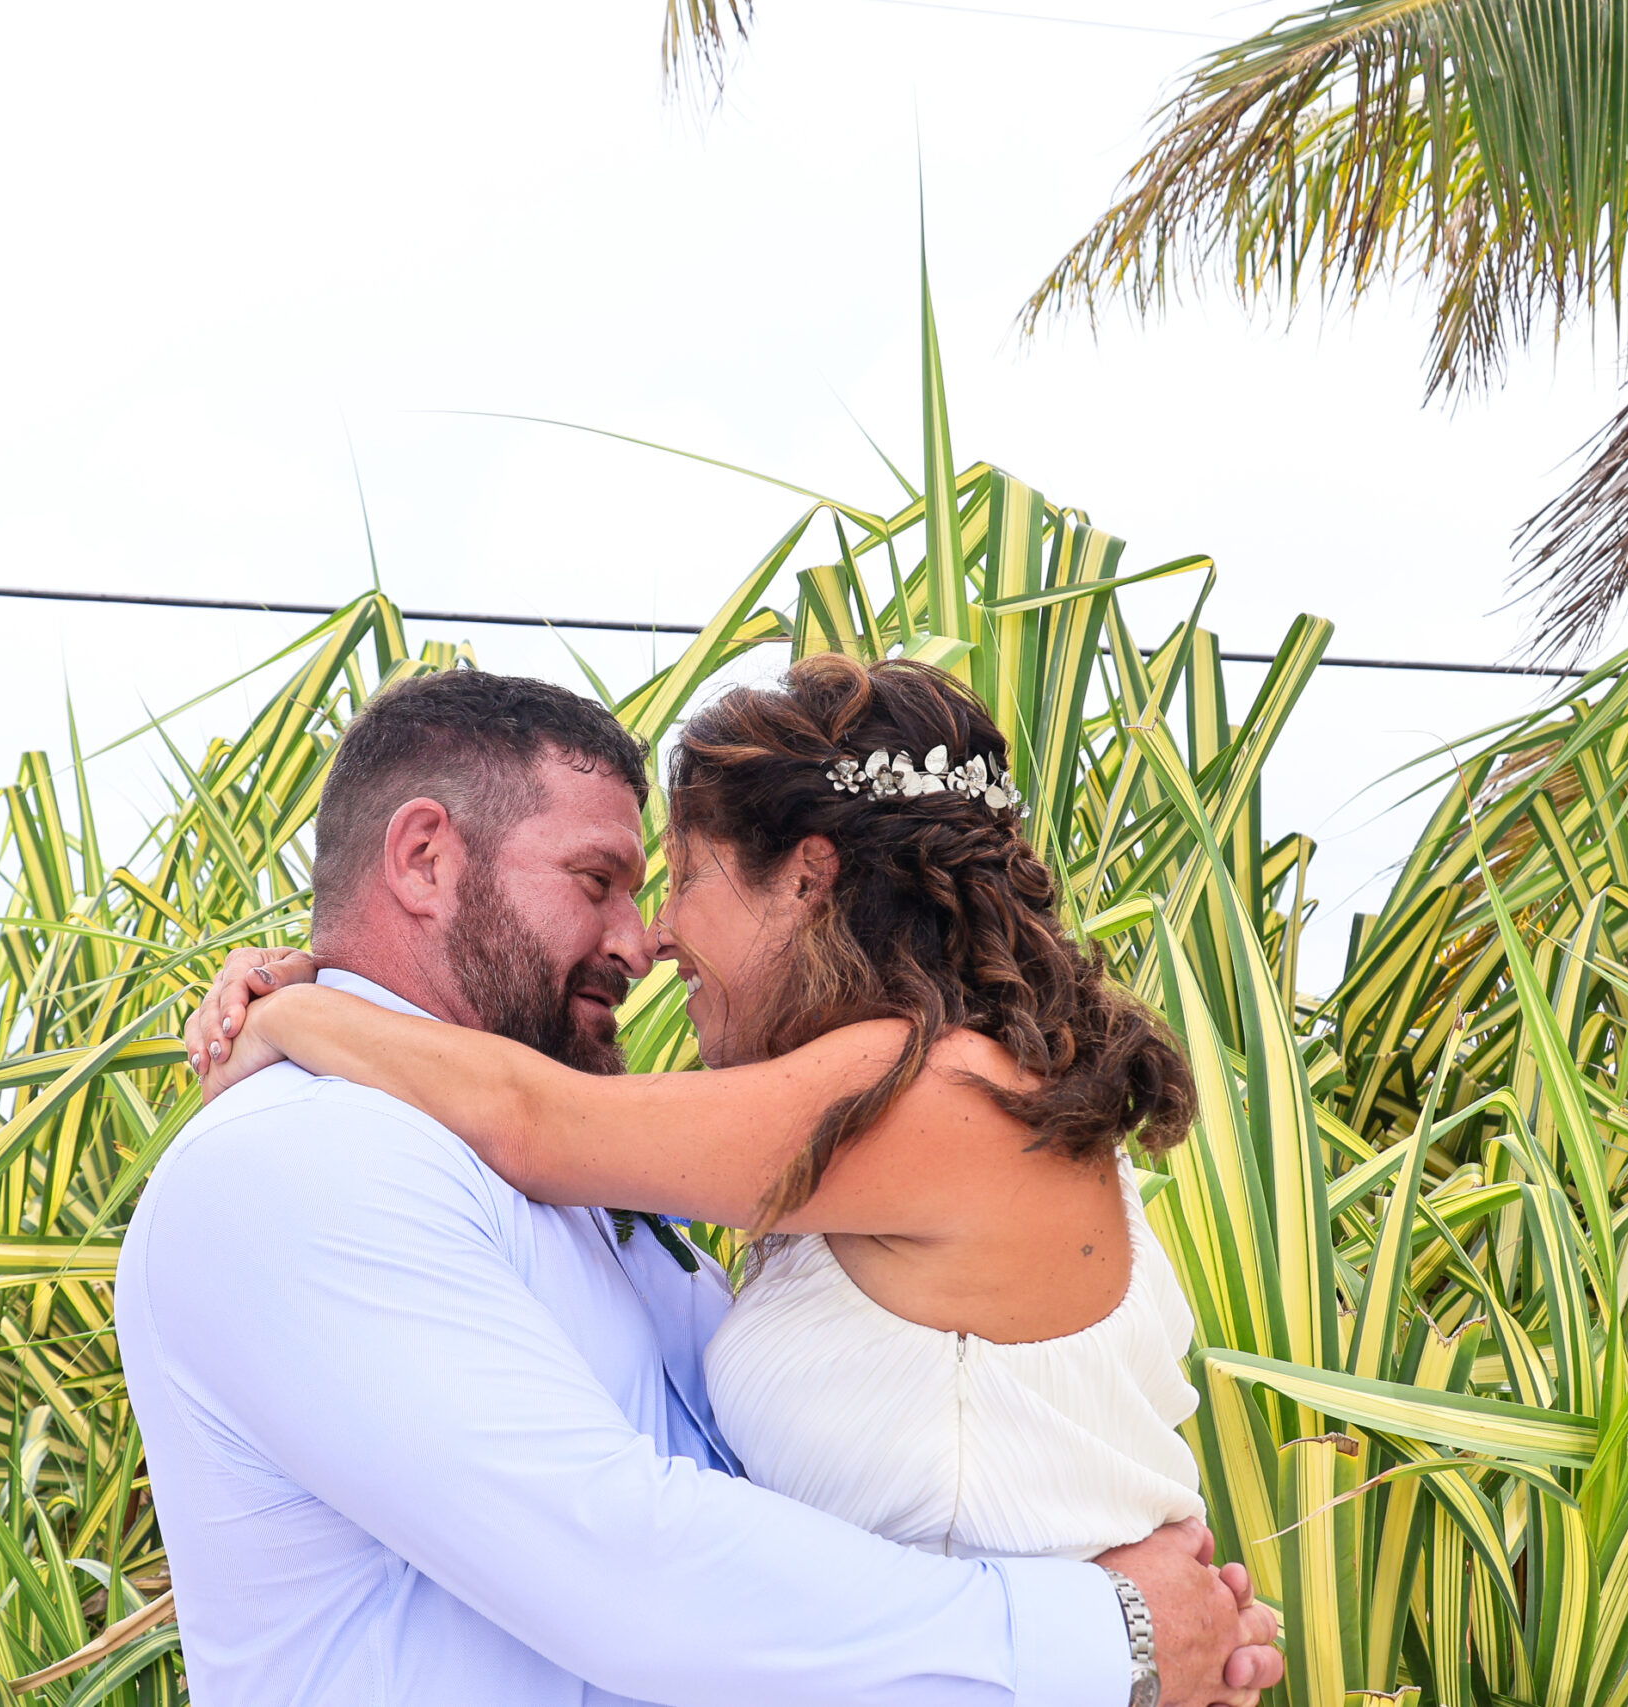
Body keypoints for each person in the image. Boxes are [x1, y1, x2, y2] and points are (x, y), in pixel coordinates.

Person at [119, 665, 1281, 1707]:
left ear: (806, 882)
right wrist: (1105, 1636)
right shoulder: (307, 1158)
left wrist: (302, 1007)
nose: (648, 940)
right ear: (423, 859)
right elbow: (620, 1562)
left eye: (673, 883)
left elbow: (533, 1123)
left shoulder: (914, 1097)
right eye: (600, 879)